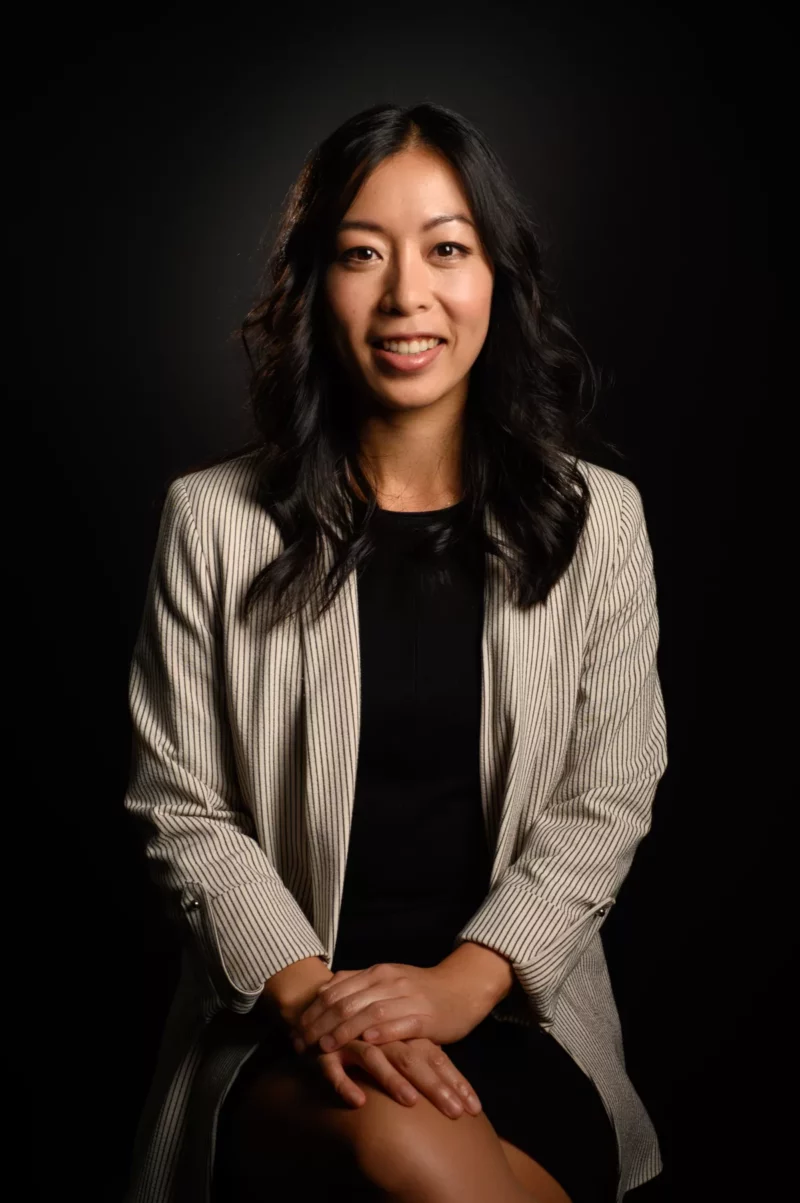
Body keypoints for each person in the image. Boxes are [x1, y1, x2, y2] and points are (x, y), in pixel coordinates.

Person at [123, 101, 668, 1203]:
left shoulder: (596, 518)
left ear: (495, 280)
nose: (404, 295)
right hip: (282, 1025)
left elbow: (604, 796)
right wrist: (310, 994)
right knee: (405, 1150)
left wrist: (460, 988)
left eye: (446, 250)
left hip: (519, 1015)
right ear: (313, 286)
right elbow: (180, 806)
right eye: (360, 253)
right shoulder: (212, 520)